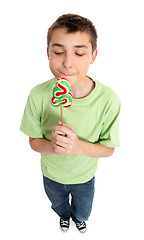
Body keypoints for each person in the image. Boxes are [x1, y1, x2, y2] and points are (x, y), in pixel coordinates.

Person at [20, 13, 121, 233]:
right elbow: (34, 141)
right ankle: (64, 216)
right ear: (48, 53)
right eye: (58, 52)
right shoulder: (38, 95)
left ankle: (79, 218)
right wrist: (52, 147)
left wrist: (77, 147)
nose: (67, 62)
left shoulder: (108, 99)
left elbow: (109, 149)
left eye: (78, 53)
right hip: (51, 173)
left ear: (93, 56)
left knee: (84, 209)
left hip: (84, 176)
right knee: (57, 205)